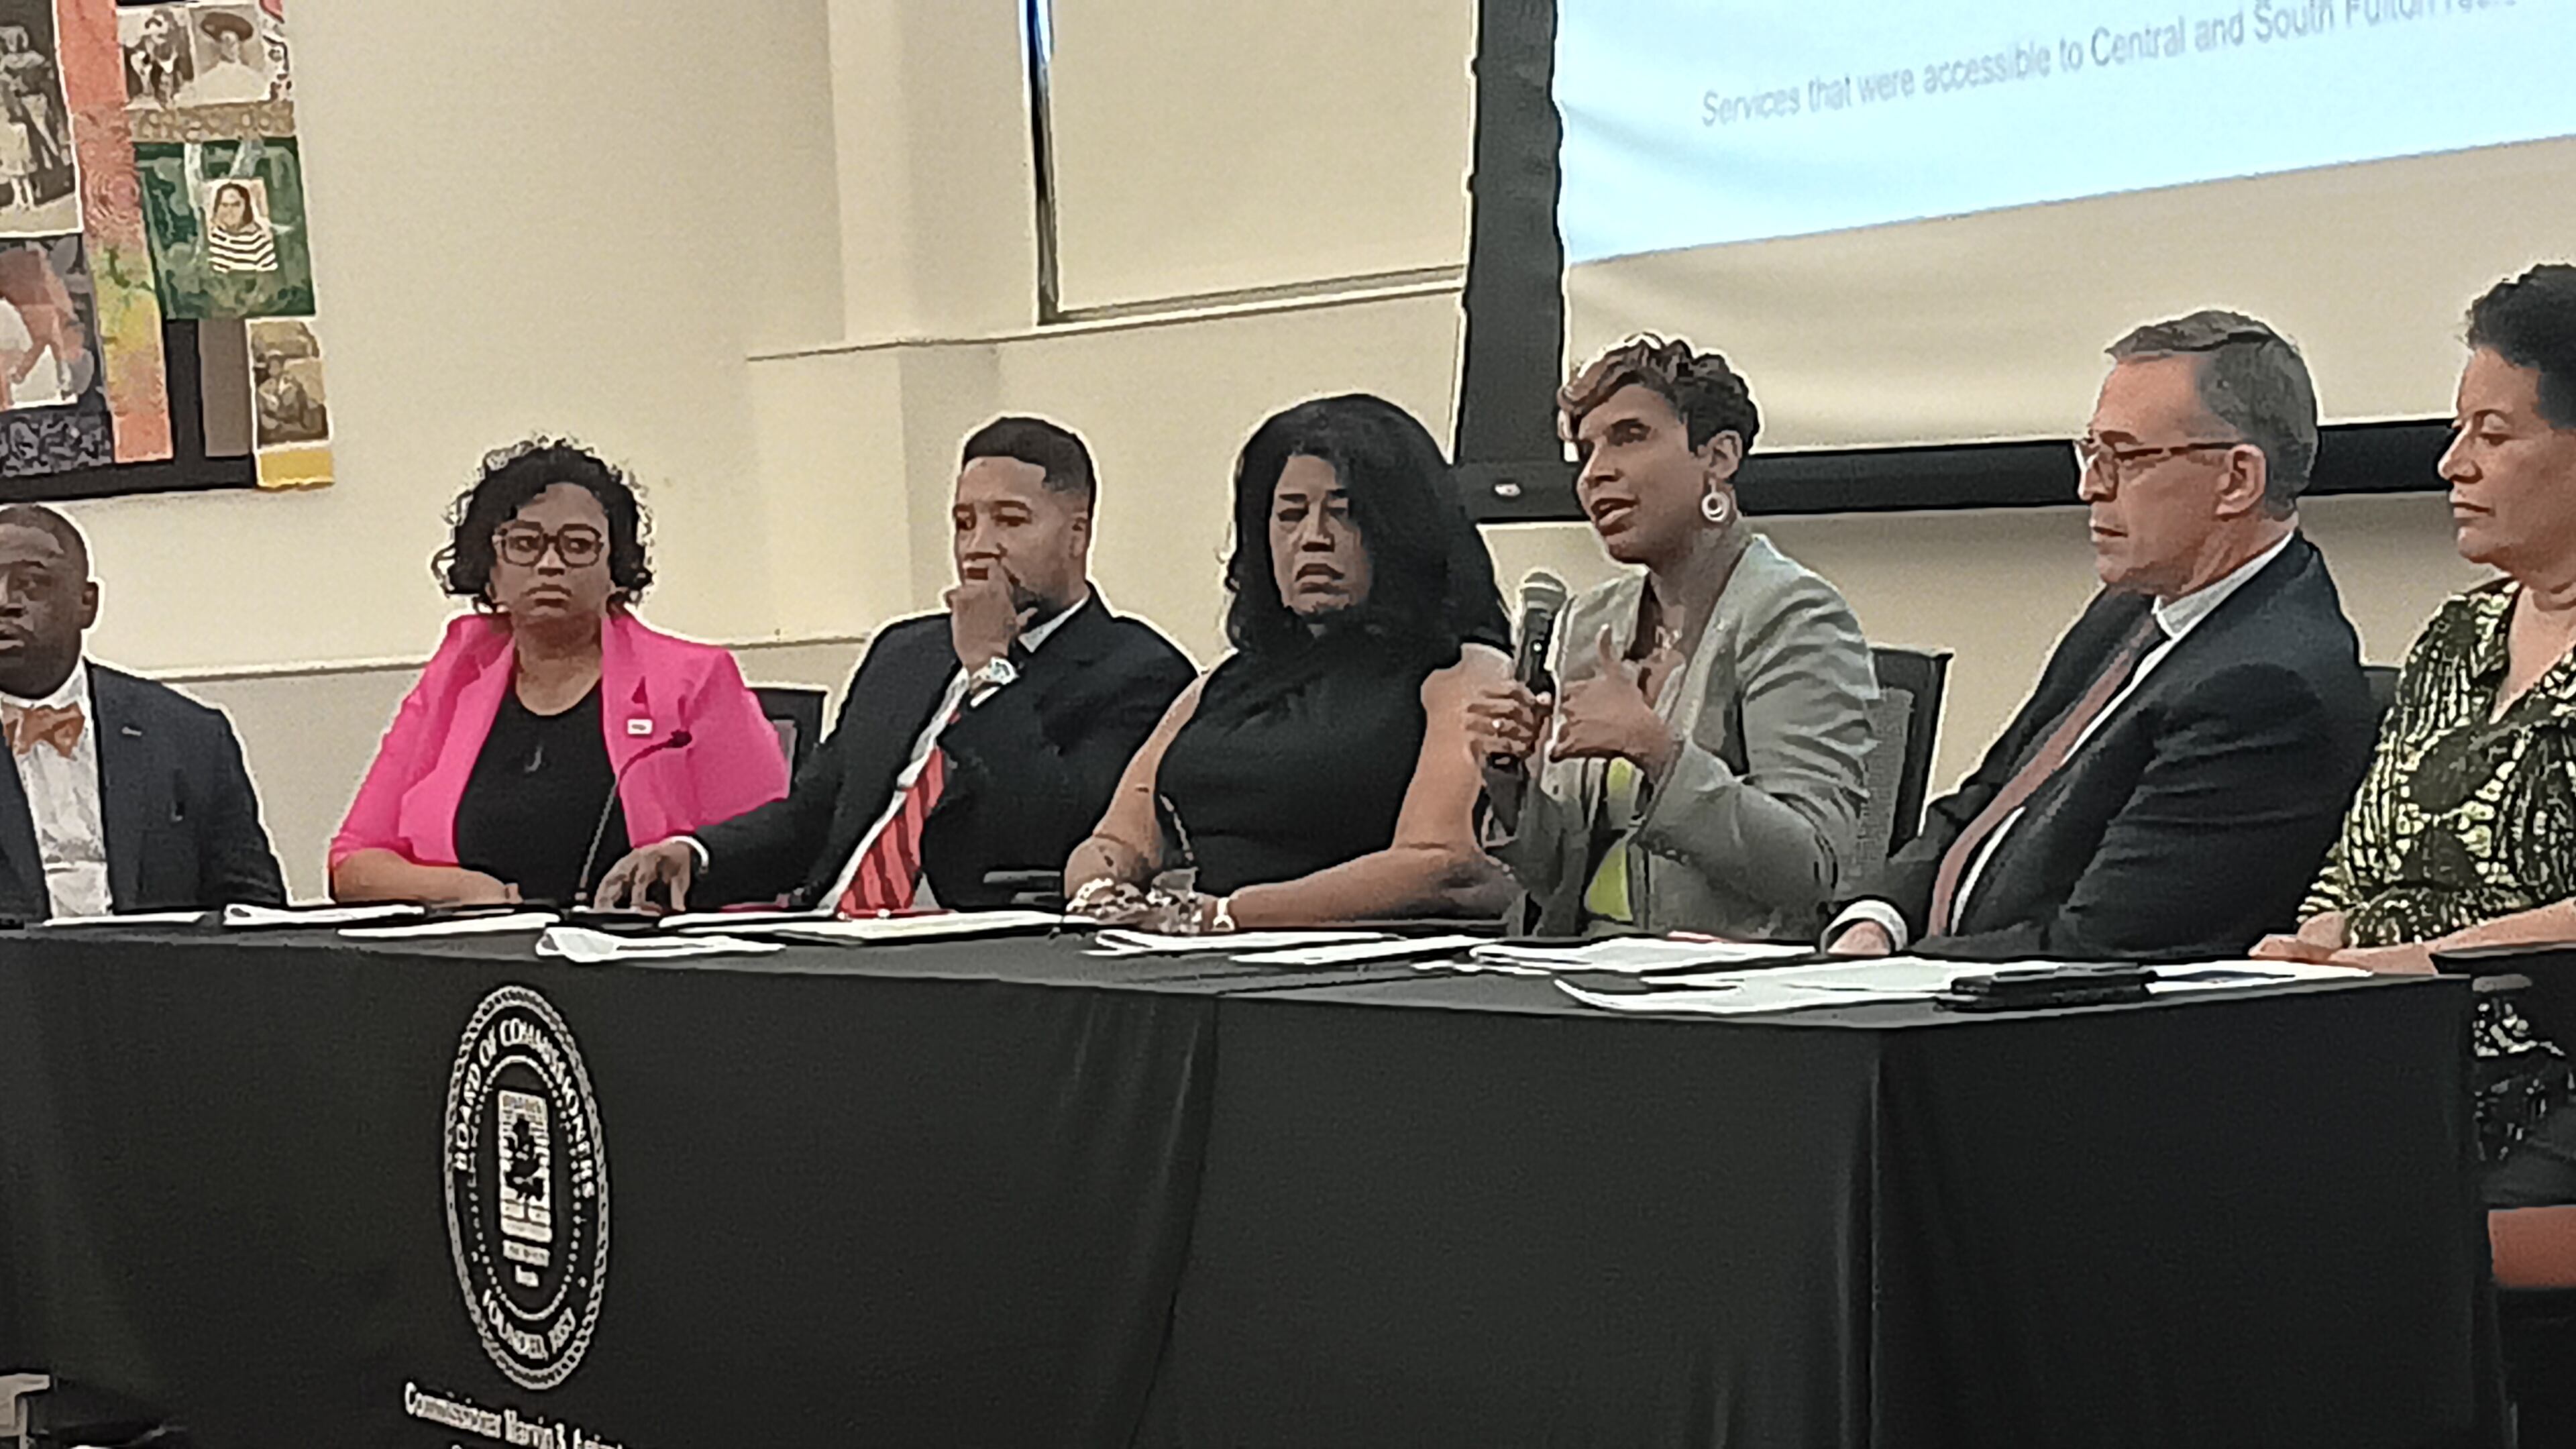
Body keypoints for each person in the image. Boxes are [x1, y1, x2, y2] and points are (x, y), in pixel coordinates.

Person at [1827, 310, 2378, 960]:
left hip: (2038, 1012)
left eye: (2126, 457)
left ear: (2237, 480)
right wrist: (1877, 919)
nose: (2090, 485)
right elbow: (1988, 796)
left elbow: (2094, 947)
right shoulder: (2129, 610)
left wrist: (1893, 969)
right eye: (2091, 452)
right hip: (1934, 978)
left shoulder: (2269, 685)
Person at [595, 417, 1194, 914]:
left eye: (1010, 521)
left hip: (966, 951)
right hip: (827, 930)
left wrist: (990, 671)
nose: (978, 546)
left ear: (1077, 534)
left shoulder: (1138, 672)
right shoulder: (905, 652)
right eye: (964, 522)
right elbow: (812, 818)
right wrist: (695, 854)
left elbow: (1055, 833)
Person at [1466, 337, 1876, 938]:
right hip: (1578, 963)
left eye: (1630, 437)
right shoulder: (1592, 623)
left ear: (1719, 456)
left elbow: (1812, 869)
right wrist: (1509, 785)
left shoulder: (1794, 616)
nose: (1596, 473)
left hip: (1721, 980)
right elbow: (1560, 880)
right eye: (1585, 451)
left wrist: (1657, 752)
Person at [1060, 394, 1513, 932]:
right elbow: (1118, 838)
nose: (1313, 539)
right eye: (1291, 515)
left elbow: (1441, 865)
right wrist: (1098, 891)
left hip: (1361, 959)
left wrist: (1226, 914)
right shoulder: (1222, 683)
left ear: (1402, 529)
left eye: (1344, 514)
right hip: (1192, 946)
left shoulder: (1461, 672)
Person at [331, 441, 787, 906]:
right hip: (477, 943)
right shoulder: (457, 672)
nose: (550, 565)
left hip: (643, 946)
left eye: (578, 546)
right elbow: (353, 864)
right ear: (489, 568)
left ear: (616, 569)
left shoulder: (692, 681)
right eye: (524, 543)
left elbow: (768, 862)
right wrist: (466, 891)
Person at [0, 504, 284, 920]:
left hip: (155, 960)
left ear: (87, 604)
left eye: (31, 583)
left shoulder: (190, 736)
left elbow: (253, 908)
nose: (5, 602)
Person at [183, 10, 267, 106]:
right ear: (220, 45)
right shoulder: (208, 80)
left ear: (239, 45)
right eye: (226, 41)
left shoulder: (253, 80)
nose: (230, 47)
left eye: (233, 43)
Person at [123, 8, 191, 110]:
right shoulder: (175, 58)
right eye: (166, 83)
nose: (162, 80)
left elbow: (130, 46)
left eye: (161, 85)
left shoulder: (144, 66)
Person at [203, 182, 276, 274]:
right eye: (225, 205)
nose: (230, 210)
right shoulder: (213, 237)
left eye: (236, 205)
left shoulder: (258, 242)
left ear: (245, 207)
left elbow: (269, 277)